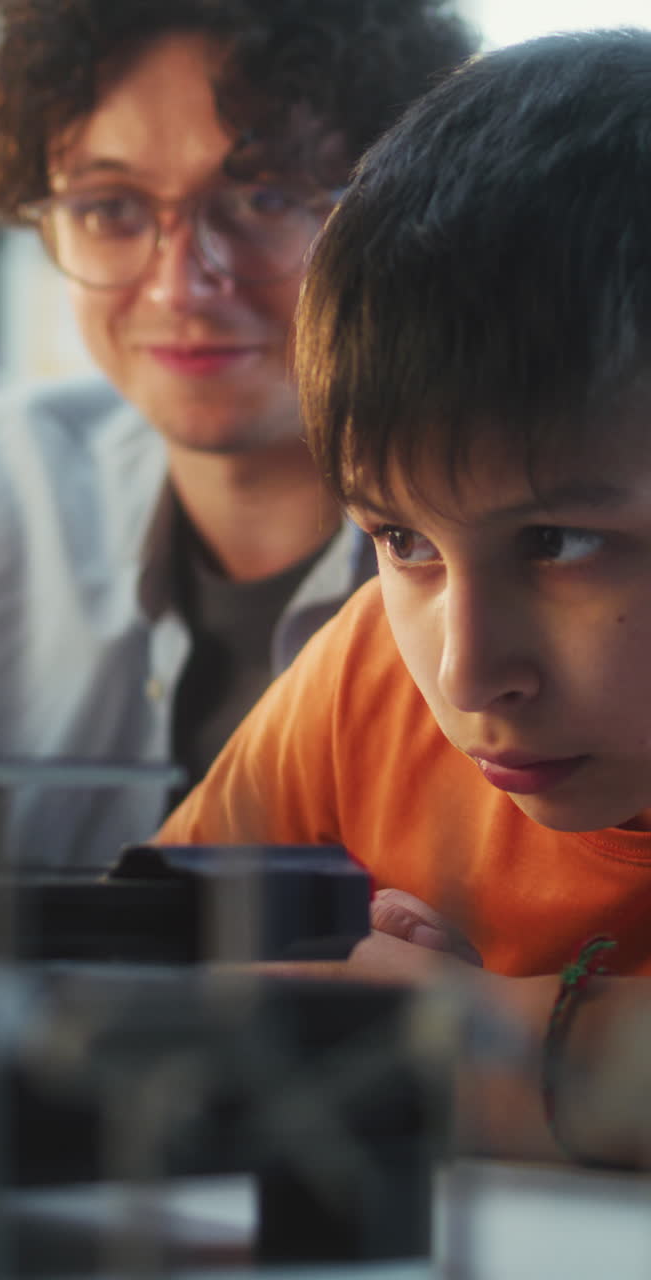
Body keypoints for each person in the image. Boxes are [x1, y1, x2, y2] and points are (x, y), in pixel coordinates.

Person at [155, 28, 651, 1166]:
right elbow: (124, 979)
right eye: (400, 536)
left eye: (560, 540)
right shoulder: (372, 664)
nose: (470, 673)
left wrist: (474, 1047)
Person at [0, 0, 475, 866]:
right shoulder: (19, 475)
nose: (179, 288)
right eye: (110, 209)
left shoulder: (502, 547)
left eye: (263, 197)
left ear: (397, 213)